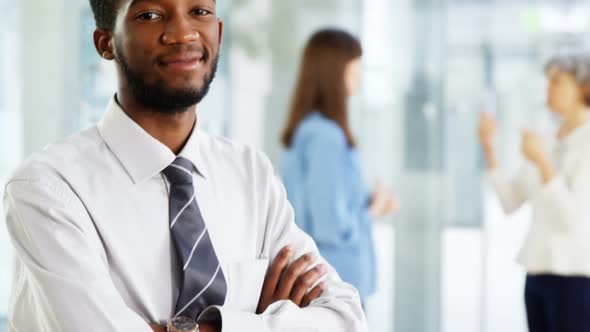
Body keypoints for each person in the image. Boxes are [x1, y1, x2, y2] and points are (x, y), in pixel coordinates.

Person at [2, 1, 367, 331]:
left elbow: (346, 319)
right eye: (150, 15)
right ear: (105, 42)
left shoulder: (250, 173)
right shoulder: (49, 189)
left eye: (199, 11)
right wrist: (253, 323)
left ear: (218, 32)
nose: (183, 33)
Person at [280, 29, 398, 306]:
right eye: (354, 69)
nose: (359, 77)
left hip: (326, 283)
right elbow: (329, 224)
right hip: (336, 282)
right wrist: (376, 208)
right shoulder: (325, 137)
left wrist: (365, 201)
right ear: (334, 71)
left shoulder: (309, 132)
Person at [479, 51, 590, 332]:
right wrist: (489, 148)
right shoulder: (550, 141)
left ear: (583, 87)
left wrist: (543, 162)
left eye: (556, 82)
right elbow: (510, 201)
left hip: (576, 279)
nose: (548, 89)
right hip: (537, 274)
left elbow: (572, 218)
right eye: (547, 81)